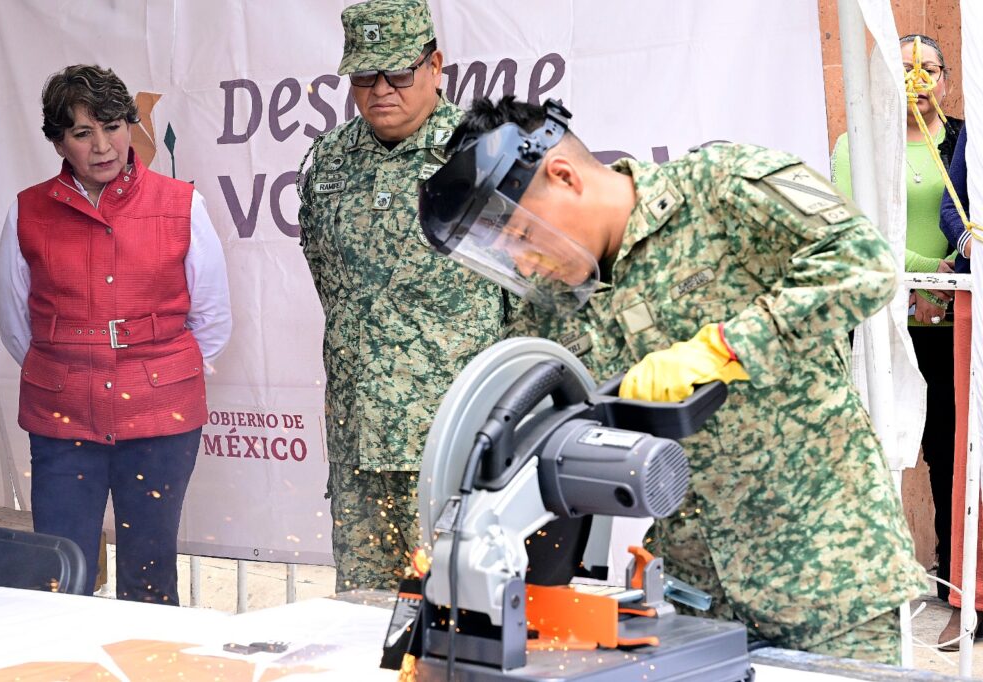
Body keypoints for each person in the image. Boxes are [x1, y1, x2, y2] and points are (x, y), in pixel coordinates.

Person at [418, 95, 926, 663]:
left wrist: (723, 347)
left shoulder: (718, 188)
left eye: (520, 235)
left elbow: (865, 260)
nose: (526, 263)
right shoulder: (555, 307)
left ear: (563, 176)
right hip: (694, 607)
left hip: (831, 580)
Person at [0, 64, 232, 604]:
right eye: (83, 133)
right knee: (58, 573)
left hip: (160, 417)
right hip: (62, 418)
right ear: (59, 141)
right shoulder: (26, 211)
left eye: (113, 126)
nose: (103, 146)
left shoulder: (181, 203)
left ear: (131, 125)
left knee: (150, 573)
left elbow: (213, 320)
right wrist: (70, 368)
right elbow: (16, 327)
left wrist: (159, 377)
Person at [295, 0, 505, 592]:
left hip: (455, 440)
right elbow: (329, 279)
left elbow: (534, 301)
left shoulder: (483, 156)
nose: (381, 90)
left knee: (461, 613)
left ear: (435, 65)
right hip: (359, 439)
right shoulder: (329, 161)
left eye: (398, 73)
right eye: (364, 76)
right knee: (363, 618)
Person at [831, 34, 962, 625]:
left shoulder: (964, 141)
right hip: (884, 317)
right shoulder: (857, 144)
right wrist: (923, 275)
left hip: (954, 320)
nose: (919, 81)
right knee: (880, 445)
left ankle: (955, 581)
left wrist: (950, 283)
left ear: (945, 78)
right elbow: (857, 233)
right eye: (906, 70)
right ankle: (874, 576)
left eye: (929, 69)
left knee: (948, 448)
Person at [937, 124, 983, 646]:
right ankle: (968, 598)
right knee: (971, 446)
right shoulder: (974, 127)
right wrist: (972, 241)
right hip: (977, 289)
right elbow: (951, 208)